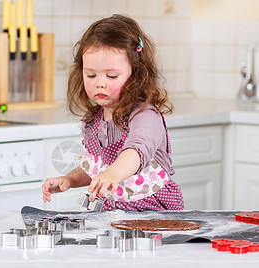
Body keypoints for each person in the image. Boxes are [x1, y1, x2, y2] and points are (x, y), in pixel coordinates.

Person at [42, 14, 184, 211]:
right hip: (113, 214)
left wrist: (112, 175)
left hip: (152, 213)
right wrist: (69, 179)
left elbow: (136, 151)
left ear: (136, 74)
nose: (100, 82)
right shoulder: (93, 121)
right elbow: (96, 169)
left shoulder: (145, 115)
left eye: (111, 75)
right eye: (91, 74)